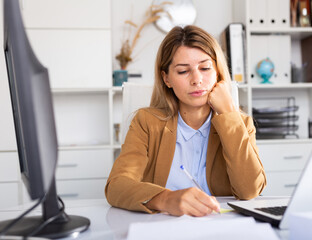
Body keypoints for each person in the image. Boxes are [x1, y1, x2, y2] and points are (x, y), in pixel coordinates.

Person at [105, 25, 266, 217]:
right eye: (183, 71)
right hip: (162, 227)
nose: (197, 79)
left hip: (221, 227)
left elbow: (249, 191)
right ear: (167, 79)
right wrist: (166, 199)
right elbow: (116, 186)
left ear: (219, 73)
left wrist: (229, 114)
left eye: (205, 68)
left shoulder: (241, 123)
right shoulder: (146, 122)